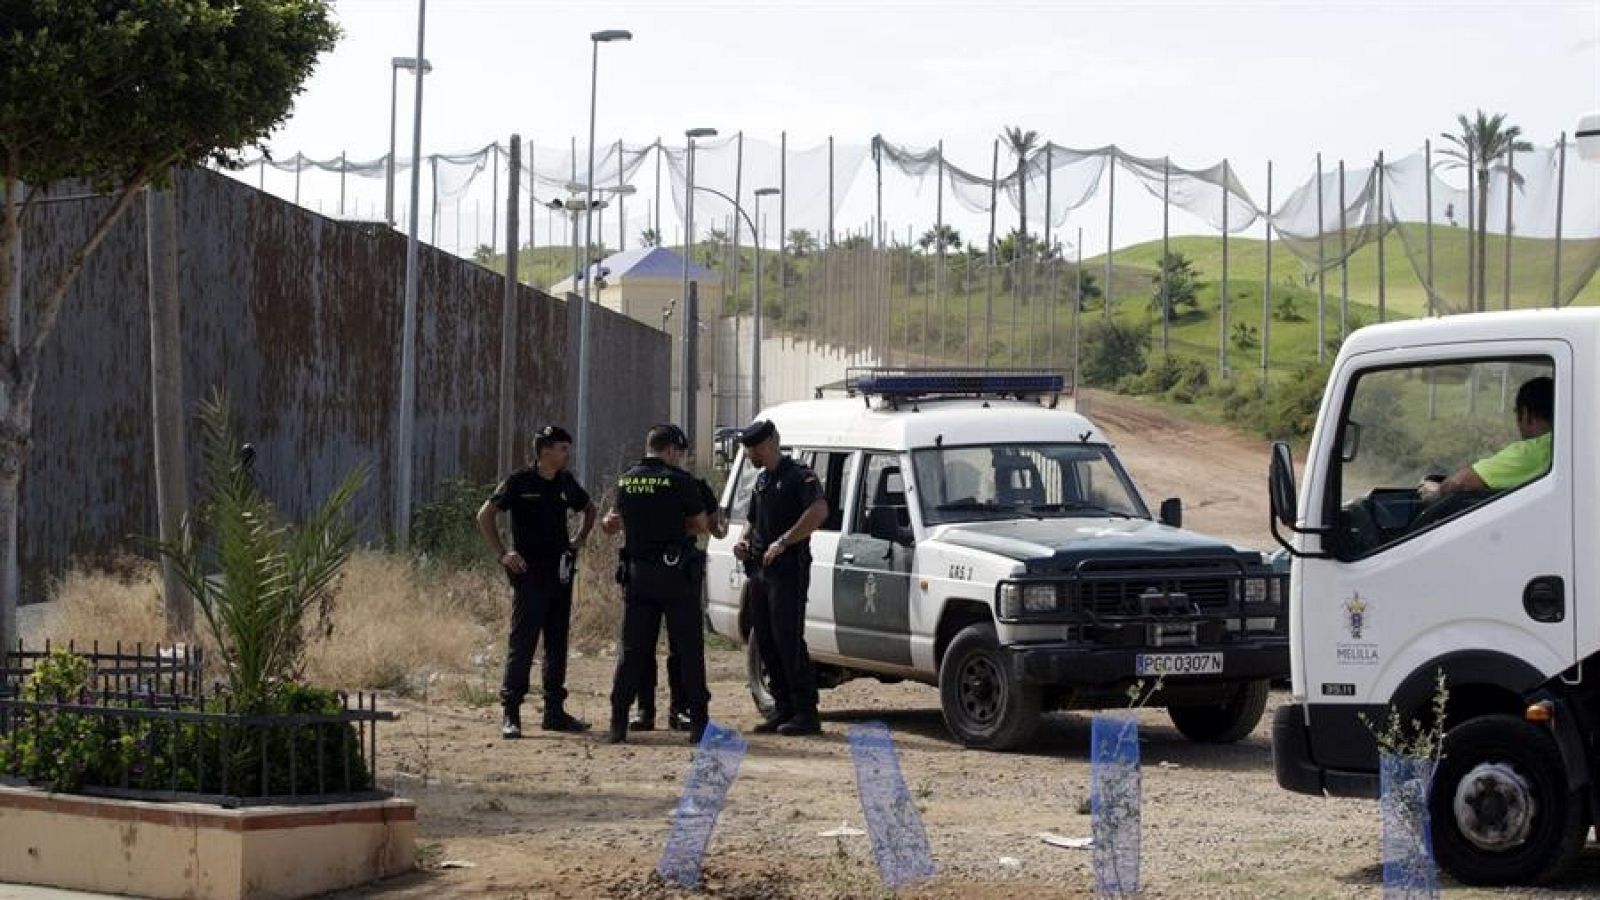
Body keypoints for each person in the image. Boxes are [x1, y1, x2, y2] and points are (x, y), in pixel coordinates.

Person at [476, 425, 596, 739]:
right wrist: (504, 553)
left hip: (560, 570)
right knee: (523, 642)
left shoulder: (565, 482)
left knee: (557, 642)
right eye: (561, 448)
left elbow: (589, 508)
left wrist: (579, 539)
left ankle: (554, 711)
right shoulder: (519, 482)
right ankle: (511, 712)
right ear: (544, 451)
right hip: (529, 572)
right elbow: (485, 516)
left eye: (567, 449)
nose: (566, 454)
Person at [601, 424, 711, 744]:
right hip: (676, 576)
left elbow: (613, 522)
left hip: (638, 577)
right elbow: (700, 525)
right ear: (672, 450)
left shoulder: (628, 480)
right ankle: (698, 724)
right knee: (688, 649)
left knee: (633, 651)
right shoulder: (681, 482)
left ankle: (619, 721)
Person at [733, 420, 829, 737]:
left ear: (773, 442)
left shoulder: (799, 476)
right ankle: (783, 708)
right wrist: (744, 541)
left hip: (789, 570)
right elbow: (752, 521)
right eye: (748, 448)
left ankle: (805, 712)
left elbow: (818, 512)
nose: (751, 453)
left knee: (788, 639)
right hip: (760, 571)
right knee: (767, 640)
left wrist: (785, 541)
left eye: (756, 447)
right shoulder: (762, 481)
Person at [631, 463, 727, 732]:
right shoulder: (639, 482)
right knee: (642, 646)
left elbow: (716, 528)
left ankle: (681, 709)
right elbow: (616, 520)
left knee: (681, 648)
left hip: (680, 572)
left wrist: (678, 527)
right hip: (645, 571)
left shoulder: (694, 486)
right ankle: (644, 709)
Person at [1419, 375, 1554, 501]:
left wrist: (1436, 492)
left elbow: (1459, 483)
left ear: (1526, 414)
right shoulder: (1562, 446)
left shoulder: (1532, 452)